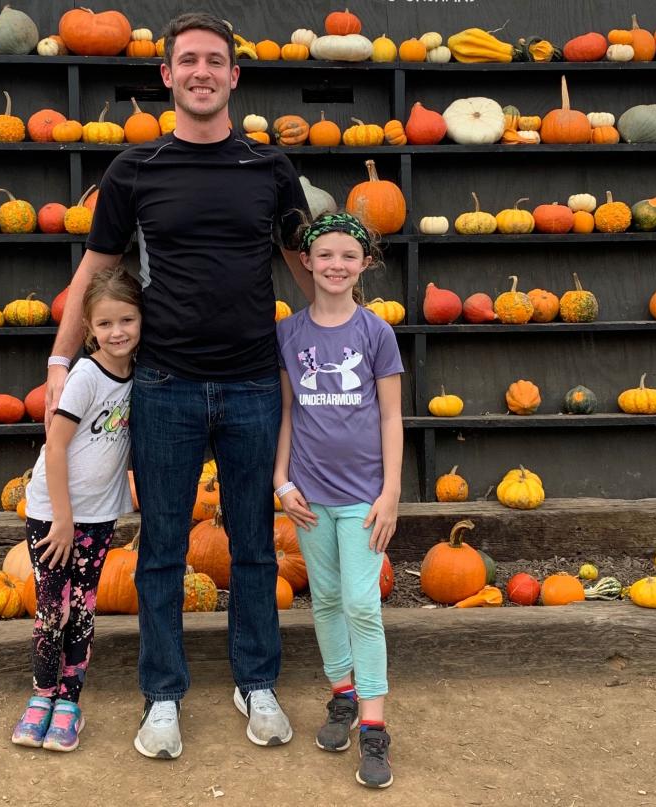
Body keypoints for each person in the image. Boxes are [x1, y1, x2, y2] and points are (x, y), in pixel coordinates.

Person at [44, 12, 312, 759]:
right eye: (187, 61)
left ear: (234, 76)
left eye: (214, 61)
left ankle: (256, 681)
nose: (201, 72)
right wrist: (59, 364)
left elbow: (302, 265)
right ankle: (162, 695)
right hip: (164, 387)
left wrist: (341, 335)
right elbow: (95, 271)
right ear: (167, 76)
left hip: (257, 384)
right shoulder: (134, 170)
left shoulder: (269, 168)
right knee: (162, 548)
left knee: (255, 546)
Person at [273, 211, 403, 789]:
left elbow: (393, 416)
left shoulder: (376, 332)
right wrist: (282, 481)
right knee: (324, 599)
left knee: (360, 604)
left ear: (365, 265)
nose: (335, 265)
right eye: (324, 255)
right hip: (309, 495)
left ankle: (374, 727)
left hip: (363, 498)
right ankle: (342, 694)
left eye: (348, 256)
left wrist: (392, 492)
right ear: (306, 261)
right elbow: (288, 412)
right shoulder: (289, 333)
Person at [13, 267, 141, 753]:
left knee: (84, 610)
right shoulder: (86, 376)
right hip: (54, 514)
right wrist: (63, 518)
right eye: (105, 324)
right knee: (52, 610)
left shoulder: (137, 376)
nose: (118, 332)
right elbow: (58, 445)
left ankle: (69, 702)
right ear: (89, 329)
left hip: (99, 517)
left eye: (127, 320)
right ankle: (41, 696)